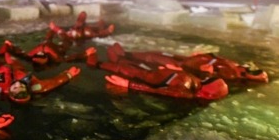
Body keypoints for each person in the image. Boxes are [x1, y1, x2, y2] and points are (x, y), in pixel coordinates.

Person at [0, 42, 81, 103]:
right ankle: (5, 50)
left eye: (16, 87)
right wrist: (68, 75)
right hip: (15, 66)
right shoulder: (35, 87)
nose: (18, 84)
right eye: (22, 86)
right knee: (8, 55)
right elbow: (51, 83)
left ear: (10, 92)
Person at [85, 46, 228, 100]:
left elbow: (158, 91)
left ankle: (95, 63)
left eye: (209, 80)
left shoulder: (185, 92)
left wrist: (129, 84)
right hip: (154, 73)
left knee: (120, 63)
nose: (208, 77)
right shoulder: (195, 82)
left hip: (146, 76)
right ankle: (113, 58)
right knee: (119, 56)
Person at [114, 43, 268, 83]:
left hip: (185, 65)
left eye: (253, 73)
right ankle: (127, 54)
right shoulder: (235, 65)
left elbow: (206, 77)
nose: (249, 69)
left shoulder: (232, 74)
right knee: (158, 54)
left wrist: (180, 71)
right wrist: (204, 55)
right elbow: (216, 58)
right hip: (187, 59)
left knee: (155, 59)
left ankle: (123, 57)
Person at [0, 30, 88, 69]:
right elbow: (70, 58)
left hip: (47, 43)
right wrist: (85, 54)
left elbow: (19, 53)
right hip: (58, 49)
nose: (40, 53)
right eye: (41, 57)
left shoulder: (30, 57)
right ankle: (60, 32)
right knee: (66, 43)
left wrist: (10, 46)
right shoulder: (56, 58)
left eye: (38, 56)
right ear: (46, 60)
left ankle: (53, 31)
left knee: (47, 40)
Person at [49, 11, 115, 42]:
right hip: (83, 35)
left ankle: (103, 26)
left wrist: (55, 28)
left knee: (97, 28)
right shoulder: (86, 31)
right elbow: (98, 34)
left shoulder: (85, 31)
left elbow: (63, 32)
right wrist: (108, 31)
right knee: (98, 28)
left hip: (82, 34)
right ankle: (103, 26)